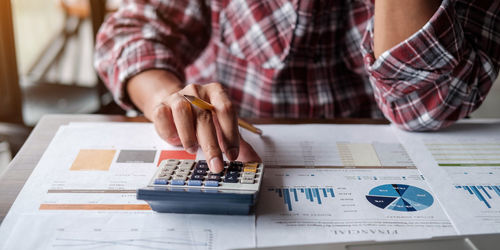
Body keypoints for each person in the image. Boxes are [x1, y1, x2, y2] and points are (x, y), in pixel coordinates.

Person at [95, 0, 500, 173]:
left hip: (381, 171)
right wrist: (167, 97)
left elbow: (422, 109)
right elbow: (131, 32)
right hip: (242, 150)